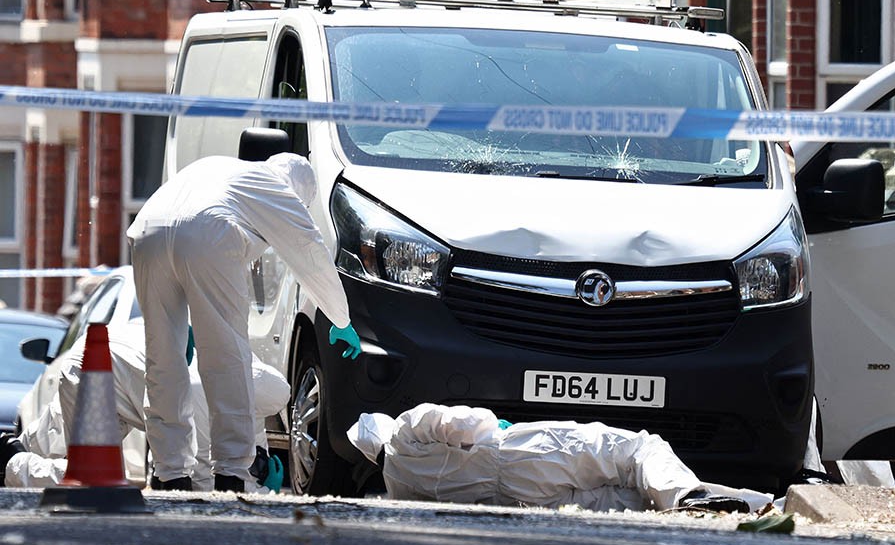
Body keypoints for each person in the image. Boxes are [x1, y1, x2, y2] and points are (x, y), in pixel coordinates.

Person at [127, 153, 361, 492]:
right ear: (300, 192)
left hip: (148, 231)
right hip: (208, 230)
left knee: (162, 359)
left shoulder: (226, 169)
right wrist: (341, 317)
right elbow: (309, 251)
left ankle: (170, 473)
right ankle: (231, 472)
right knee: (227, 358)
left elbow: (178, 225)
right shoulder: (278, 190)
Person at [0, 319, 290, 491]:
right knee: (96, 483)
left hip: (106, 349)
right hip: (103, 368)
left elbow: (251, 428)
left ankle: (12, 450)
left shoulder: (253, 382)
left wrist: (259, 471)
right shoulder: (201, 399)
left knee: (42, 438)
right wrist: (262, 494)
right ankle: (11, 465)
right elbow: (202, 487)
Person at [346, 403, 776, 514]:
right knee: (638, 453)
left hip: (516, 501)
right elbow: (468, 423)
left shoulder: (397, 486)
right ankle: (716, 498)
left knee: (632, 502)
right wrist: (495, 427)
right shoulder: (405, 432)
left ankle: (744, 505)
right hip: (524, 452)